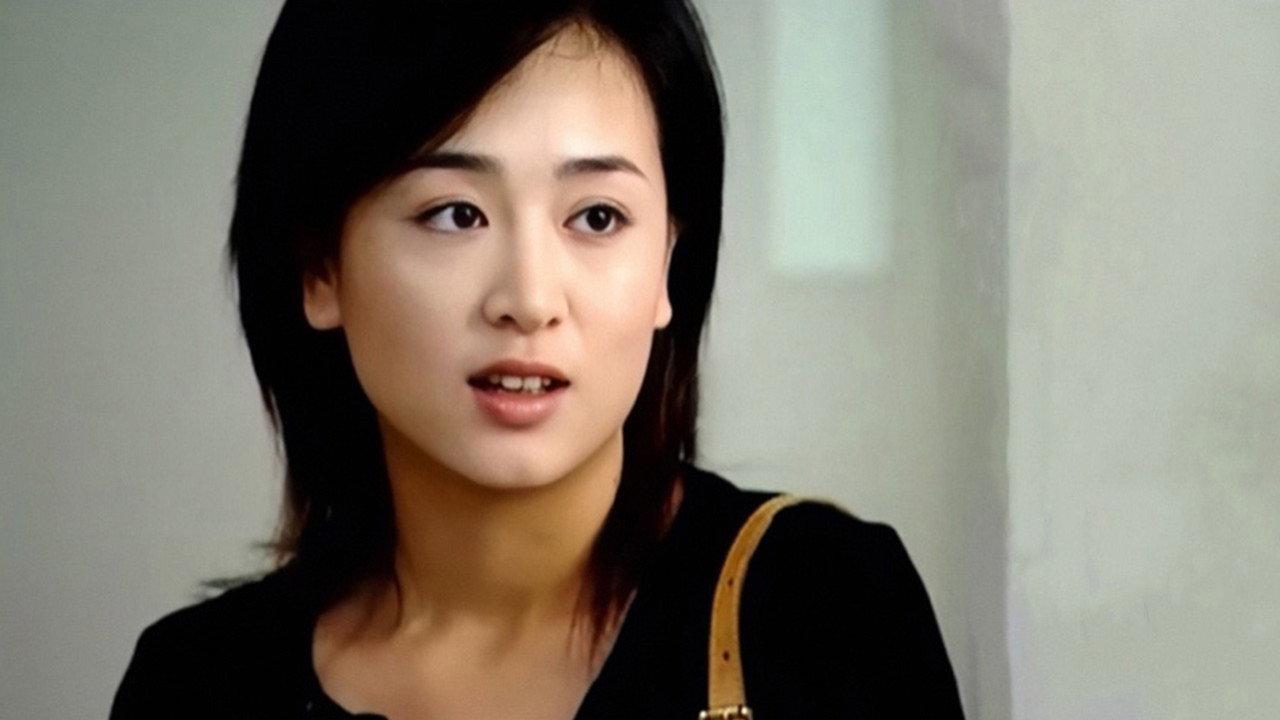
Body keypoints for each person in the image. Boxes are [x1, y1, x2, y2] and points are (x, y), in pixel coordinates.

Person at [110, 1, 964, 718]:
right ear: (320, 268)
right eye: (455, 214)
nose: (528, 298)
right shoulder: (195, 687)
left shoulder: (824, 612)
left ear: (668, 264)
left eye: (596, 217)